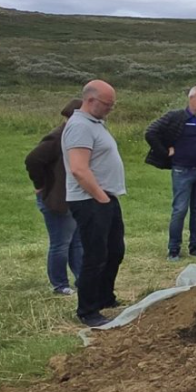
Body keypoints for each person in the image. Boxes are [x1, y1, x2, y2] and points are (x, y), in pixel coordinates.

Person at [62, 80, 126, 327]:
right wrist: (100, 197)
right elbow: (79, 168)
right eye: (107, 104)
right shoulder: (79, 126)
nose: (111, 108)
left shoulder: (95, 124)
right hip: (90, 200)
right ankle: (88, 311)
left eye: (113, 104)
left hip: (106, 197)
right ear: (90, 100)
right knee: (95, 255)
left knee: (114, 251)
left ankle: (104, 297)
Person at [144, 85, 196, 261]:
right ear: (191, 98)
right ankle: (174, 249)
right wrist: (165, 151)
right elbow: (151, 132)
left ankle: (195, 247)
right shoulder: (176, 117)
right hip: (182, 170)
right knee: (180, 209)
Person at [25, 99, 84, 295]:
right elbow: (33, 160)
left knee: (76, 241)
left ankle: (81, 280)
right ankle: (60, 285)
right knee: (60, 243)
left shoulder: (72, 136)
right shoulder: (57, 138)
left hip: (71, 198)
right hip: (55, 199)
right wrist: (41, 185)